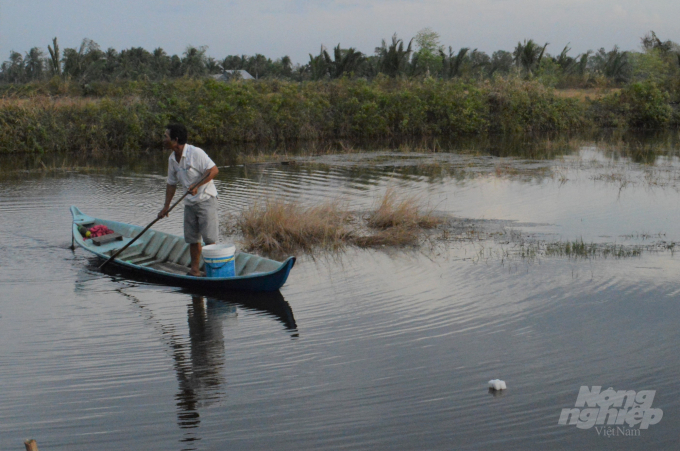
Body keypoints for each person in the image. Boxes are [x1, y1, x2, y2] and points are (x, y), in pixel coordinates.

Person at [158, 124, 219, 277]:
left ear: (175, 140)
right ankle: (195, 270)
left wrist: (197, 185)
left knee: (209, 239)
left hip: (206, 199)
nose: (163, 140)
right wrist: (166, 207)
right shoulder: (172, 159)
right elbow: (171, 184)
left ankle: (212, 272)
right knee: (193, 239)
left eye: (166, 137)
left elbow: (213, 170)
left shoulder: (195, 153)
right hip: (190, 203)